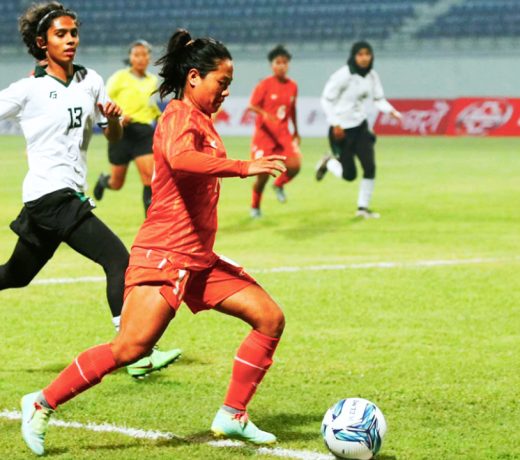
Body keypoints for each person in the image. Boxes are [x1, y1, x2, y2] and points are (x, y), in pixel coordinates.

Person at [20, 29, 287, 456]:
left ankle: (232, 414)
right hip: (163, 254)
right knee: (131, 347)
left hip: (197, 259)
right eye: (222, 83)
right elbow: (182, 160)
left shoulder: (202, 120)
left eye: (230, 85)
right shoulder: (179, 115)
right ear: (195, 77)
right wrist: (243, 166)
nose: (226, 93)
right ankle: (41, 401)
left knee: (269, 318)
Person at [0, 2, 181, 379]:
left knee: (15, 276)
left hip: (53, 200)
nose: (70, 40)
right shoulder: (28, 89)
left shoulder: (91, 80)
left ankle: (134, 349)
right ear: (41, 42)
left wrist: (114, 121)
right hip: (52, 196)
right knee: (119, 261)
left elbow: (109, 134)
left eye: (73, 33)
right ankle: (136, 352)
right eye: (60, 34)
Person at [316, 41, 401, 219]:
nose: (364, 58)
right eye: (360, 54)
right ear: (354, 56)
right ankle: (328, 162)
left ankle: (363, 208)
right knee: (349, 175)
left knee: (370, 167)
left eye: (367, 54)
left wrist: (390, 110)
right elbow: (326, 100)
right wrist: (335, 123)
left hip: (360, 128)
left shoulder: (372, 76)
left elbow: (378, 98)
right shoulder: (342, 75)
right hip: (341, 131)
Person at [93, 39, 161, 214]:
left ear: (149, 58)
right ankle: (103, 181)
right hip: (121, 132)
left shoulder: (152, 80)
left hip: (143, 133)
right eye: (136, 54)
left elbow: (152, 105)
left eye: (144, 54)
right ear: (130, 57)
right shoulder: (118, 78)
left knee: (149, 178)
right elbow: (103, 100)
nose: (140, 58)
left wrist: (161, 119)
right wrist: (119, 117)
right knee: (117, 183)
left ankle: (152, 224)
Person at [248, 45, 300, 218]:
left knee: (295, 166)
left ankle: (279, 184)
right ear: (272, 65)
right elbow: (252, 106)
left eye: (285, 62)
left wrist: (296, 131)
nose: (282, 66)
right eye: (278, 62)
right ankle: (255, 207)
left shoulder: (293, 86)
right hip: (264, 136)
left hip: (283, 133)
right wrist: (264, 114)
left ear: (288, 65)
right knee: (262, 174)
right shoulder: (264, 85)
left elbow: (292, 109)